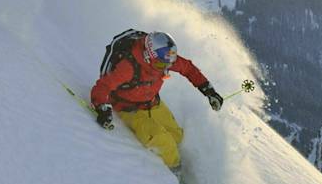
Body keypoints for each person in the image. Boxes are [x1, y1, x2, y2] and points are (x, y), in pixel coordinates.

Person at [90, 31, 223, 170]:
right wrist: (102, 107)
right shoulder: (128, 67)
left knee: (177, 136)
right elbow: (102, 87)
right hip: (130, 109)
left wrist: (208, 90)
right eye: (161, 65)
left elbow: (188, 69)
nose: (165, 68)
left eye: (169, 64)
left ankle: (178, 160)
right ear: (148, 56)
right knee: (165, 143)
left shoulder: (164, 59)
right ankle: (174, 171)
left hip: (152, 103)